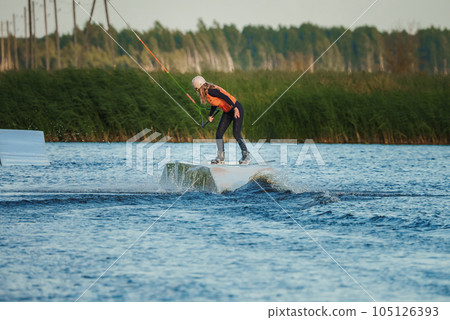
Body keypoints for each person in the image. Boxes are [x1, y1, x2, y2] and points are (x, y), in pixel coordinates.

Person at [192, 76, 251, 165]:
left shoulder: (211, 90)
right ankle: (220, 157)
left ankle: (246, 155)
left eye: (196, 90)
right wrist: (210, 115)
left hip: (236, 108)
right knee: (219, 133)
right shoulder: (208, 92)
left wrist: (235, 108)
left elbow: (225, 97)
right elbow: (215, 103)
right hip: (227, 111)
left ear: (198, 88)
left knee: (236, 133)